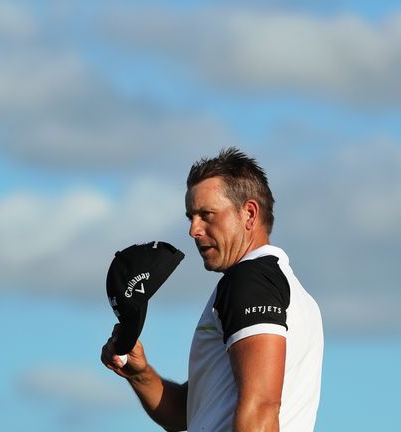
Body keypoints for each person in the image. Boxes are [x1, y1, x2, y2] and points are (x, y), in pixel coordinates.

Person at [101, 147, 323, 431]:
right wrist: (140, 374)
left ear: (249, 214)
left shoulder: (250, 280)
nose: (193, 229)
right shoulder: (278, 286)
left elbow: (262, 407)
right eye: (191, 216)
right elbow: (188, 412)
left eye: (207, 214)